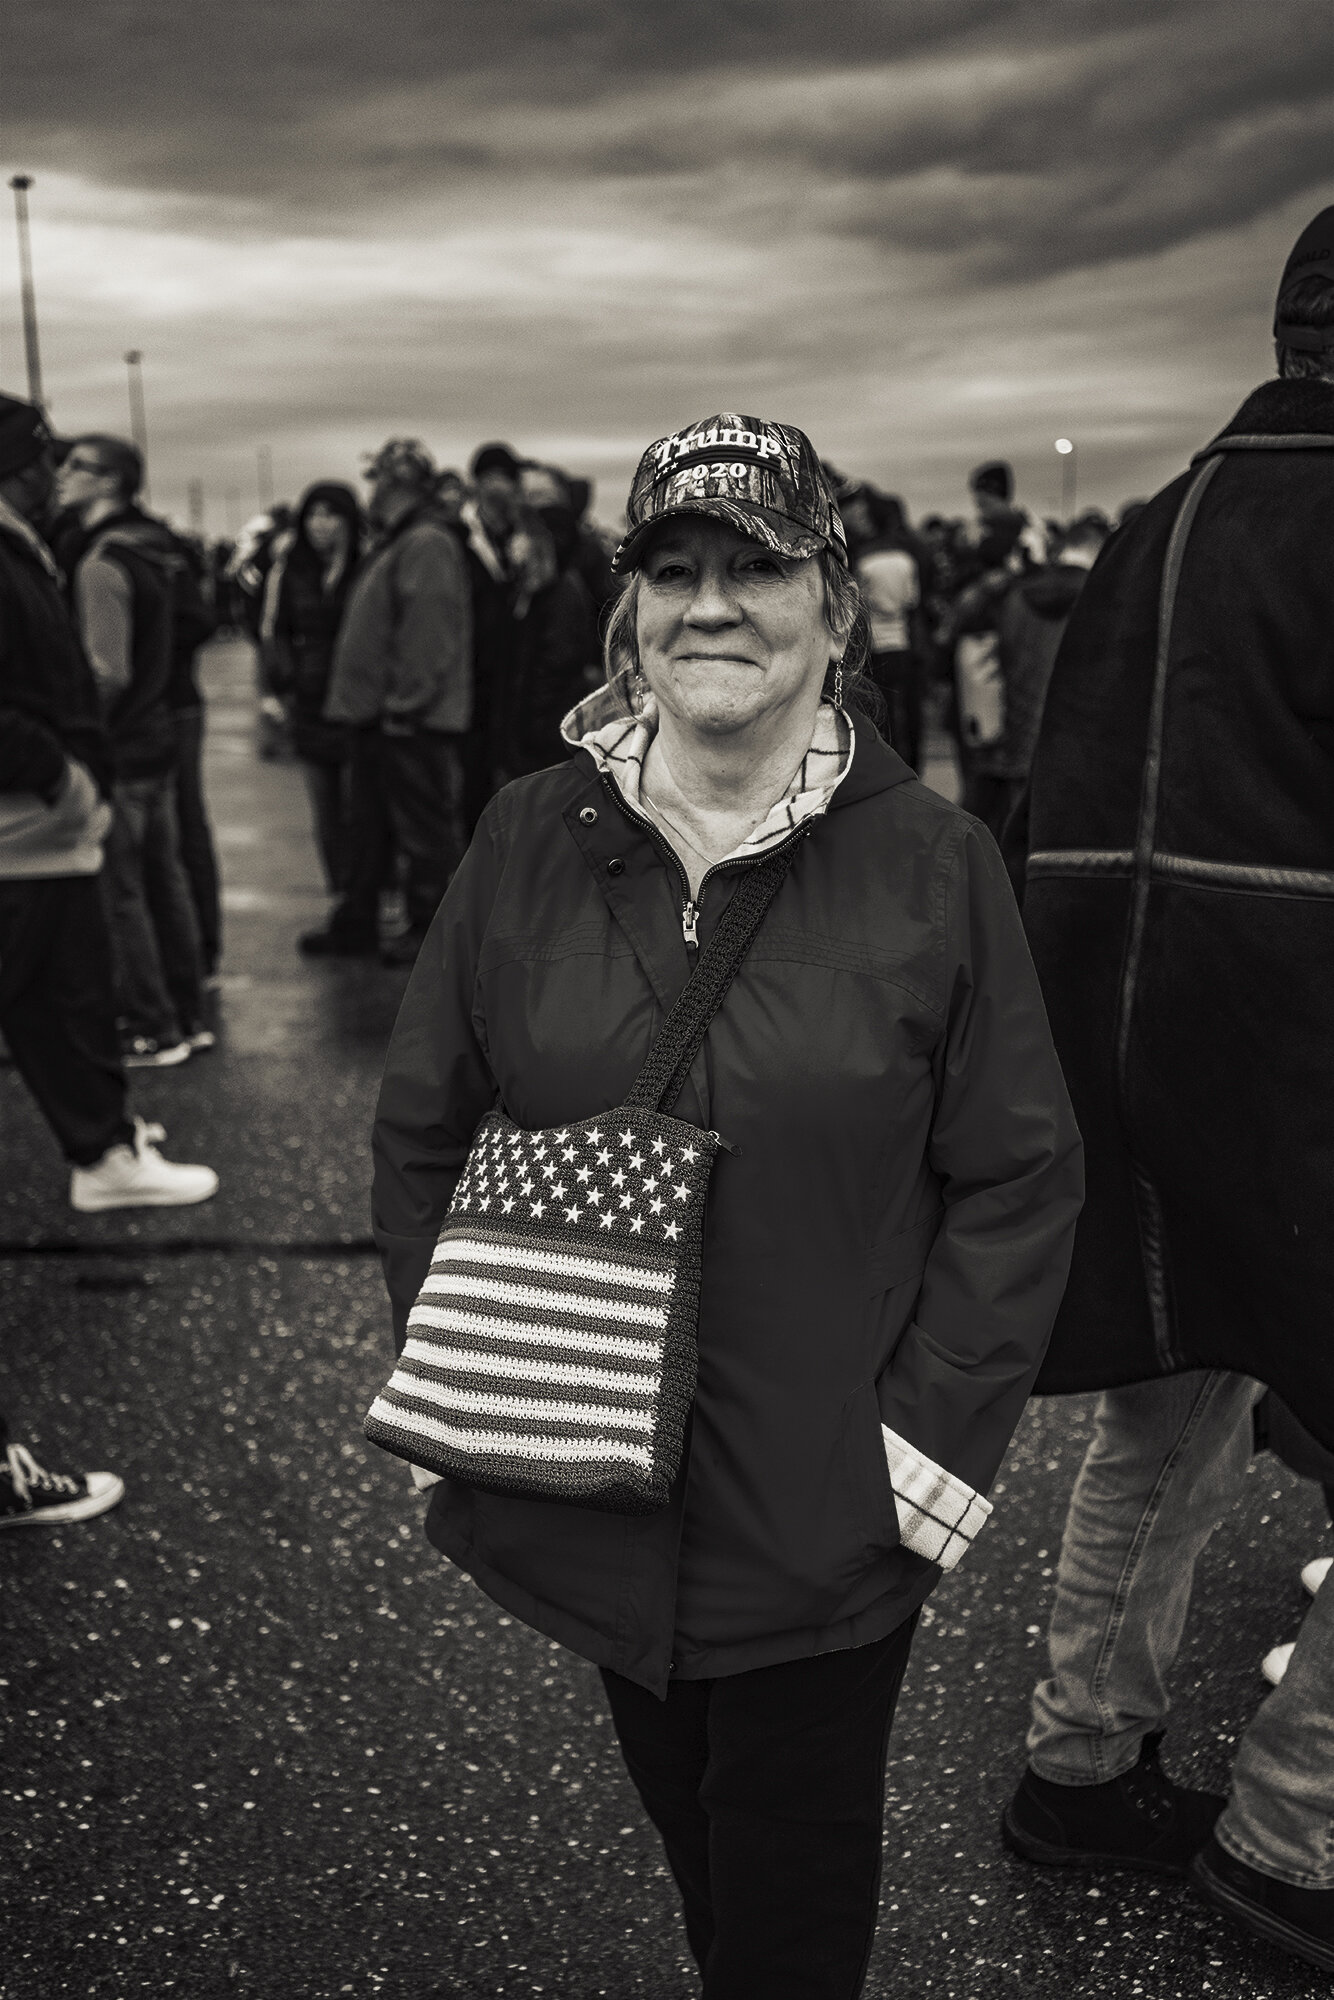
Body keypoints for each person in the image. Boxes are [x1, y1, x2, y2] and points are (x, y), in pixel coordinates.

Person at [370, 412, 1083, 1997]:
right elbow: (419, 1125)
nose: (711, 605)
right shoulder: (522, 837)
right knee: (698, 1838)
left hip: (822, 1517)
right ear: (627, 612)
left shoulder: (936, 862)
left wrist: (917, 1451)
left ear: (834, 603)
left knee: (790, 1889)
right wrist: (484, 1366)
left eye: (756, 566)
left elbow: (1022, 1171)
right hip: (587, 1487)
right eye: (672, 570)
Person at [1000, 208, 1334, 1979]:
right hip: (1296, 1041)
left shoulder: (1153, 518)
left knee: (1167, 1412)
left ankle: (1078, 1762)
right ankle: (1293, 1838)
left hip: (1128, 1034)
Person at [0, 394, 218, 1210]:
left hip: (40, 824)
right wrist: (61, 772)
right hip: (27, 821)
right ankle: (104, 1148)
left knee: (65, 996)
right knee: (65, 990)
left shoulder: (43, 546)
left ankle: (104, 1147)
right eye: (46, 458)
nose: (56, 474)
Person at [56, 434, 210, 1066]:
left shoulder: (101, 564)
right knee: (165, 880)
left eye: (77, 467)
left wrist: (86, 733)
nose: (61, 475)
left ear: (112, 482)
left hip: (124, 746)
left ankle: (153, 1025)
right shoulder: (153, 554)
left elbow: (107, 670)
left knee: (123, 892)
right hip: (159, 739)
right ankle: (189, 1013)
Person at [310, 440, 472, 966]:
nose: (371, 491)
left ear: (397, 484)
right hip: (384, 719)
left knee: (422, 830)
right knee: (370, 828)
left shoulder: (425, 542)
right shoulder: (404, 541)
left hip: (410, 721)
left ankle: (430, 930)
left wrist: (406, 706)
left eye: (377, 480)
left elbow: (431, 635)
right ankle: (357, 921)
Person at [961, 512, 1108, 841]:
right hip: (1077, 745)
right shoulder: (1100, 595)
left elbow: (1002, 662)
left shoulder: (1016, 596)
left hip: (1019, 736)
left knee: (1018, 839)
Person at [261, 481, 363, 896]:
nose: (320, 525)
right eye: (313, 516)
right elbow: (276, 630)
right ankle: (340, 893)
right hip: (311, 701)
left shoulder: (366, 566)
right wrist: (286, 680)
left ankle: (365, 895)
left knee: (360, 808)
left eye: (330, 515)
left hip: (356, 703)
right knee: (325, 810)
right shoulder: (291, 571)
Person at [845, 489, 927, 771]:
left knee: (883, 711)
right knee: (910, 711)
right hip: (904, 641)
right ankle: (913, 765)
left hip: (877, 643)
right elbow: (913, 600)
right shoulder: (908, 558)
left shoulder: (864, 561)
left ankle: (887, 764)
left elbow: (858, 604)